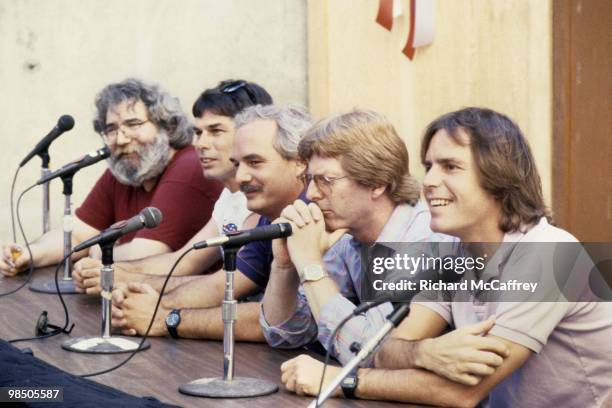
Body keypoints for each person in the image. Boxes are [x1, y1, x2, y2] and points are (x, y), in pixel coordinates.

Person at [280, 107, 612, 407]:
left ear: (499, 176)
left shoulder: (550, 254)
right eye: (429, 166)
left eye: (450, 167)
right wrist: (426, 352)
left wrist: (340, 380)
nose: (430, 182)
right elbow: (389, 349)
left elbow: (463, 392)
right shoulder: (453, 250)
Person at [261, 109, 451, 367]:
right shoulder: (345, 233)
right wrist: (283, 266)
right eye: (308, 180)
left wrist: (310, 265)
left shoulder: (425, 239)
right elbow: (286, 334)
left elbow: (368, 353)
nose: (311, 193)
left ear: (377, 182)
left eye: (326, 180)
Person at [109, 104, 314, 340]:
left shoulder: (315, 209)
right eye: (237, 164)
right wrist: (143, 306)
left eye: (255, 162)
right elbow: (223, 284)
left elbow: (285, 320)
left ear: (300, 163)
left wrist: (166, 319)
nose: (240, 177)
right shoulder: (274, 212)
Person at [1, 78, 222, 276]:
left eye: (133, 124)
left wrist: (97, 253)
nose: (121, 139)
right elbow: (77, 235)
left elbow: (146, 252)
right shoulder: (126, 169)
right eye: (111, 129)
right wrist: (29, 253)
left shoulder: (189, 166)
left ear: (166, 126)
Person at [72, 79, 273, 295]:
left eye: (215, 131)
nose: (201, 144)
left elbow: (226, 285)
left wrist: (161, 313)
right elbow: (184, 262)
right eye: (198, 133)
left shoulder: (262, 197)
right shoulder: (230, 196)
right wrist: (114, 272)